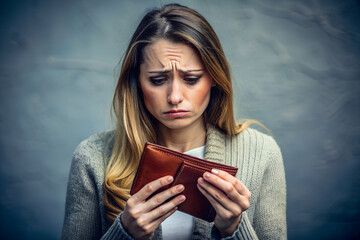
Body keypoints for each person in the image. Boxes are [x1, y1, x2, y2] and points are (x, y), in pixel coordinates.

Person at [61, 3, 286, 240]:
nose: (175, 97)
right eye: (158, 80)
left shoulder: (262, 152)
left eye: (191, 78)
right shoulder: (92, 157)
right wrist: (124, 233)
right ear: (137, 82)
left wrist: (233, 228)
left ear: (214, 78)